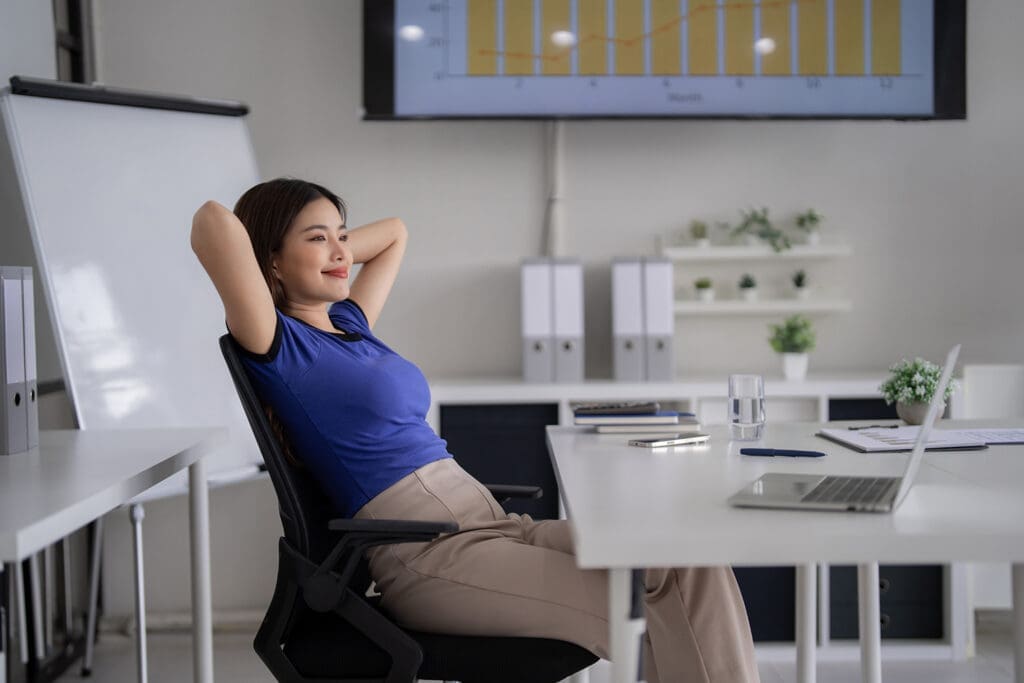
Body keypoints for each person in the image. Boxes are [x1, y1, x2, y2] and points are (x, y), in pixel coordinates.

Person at [191, 178, 759, 683]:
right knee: (641, 607)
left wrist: (323, 251)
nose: (343, 252)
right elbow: (213, 220)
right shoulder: (277, 344)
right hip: (429, 556)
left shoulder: (348, 323)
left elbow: (394, 233)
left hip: (493, 525)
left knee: (688, 558)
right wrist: (298, 255)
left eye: (343, 235)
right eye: (318, 238)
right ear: (268, 260)